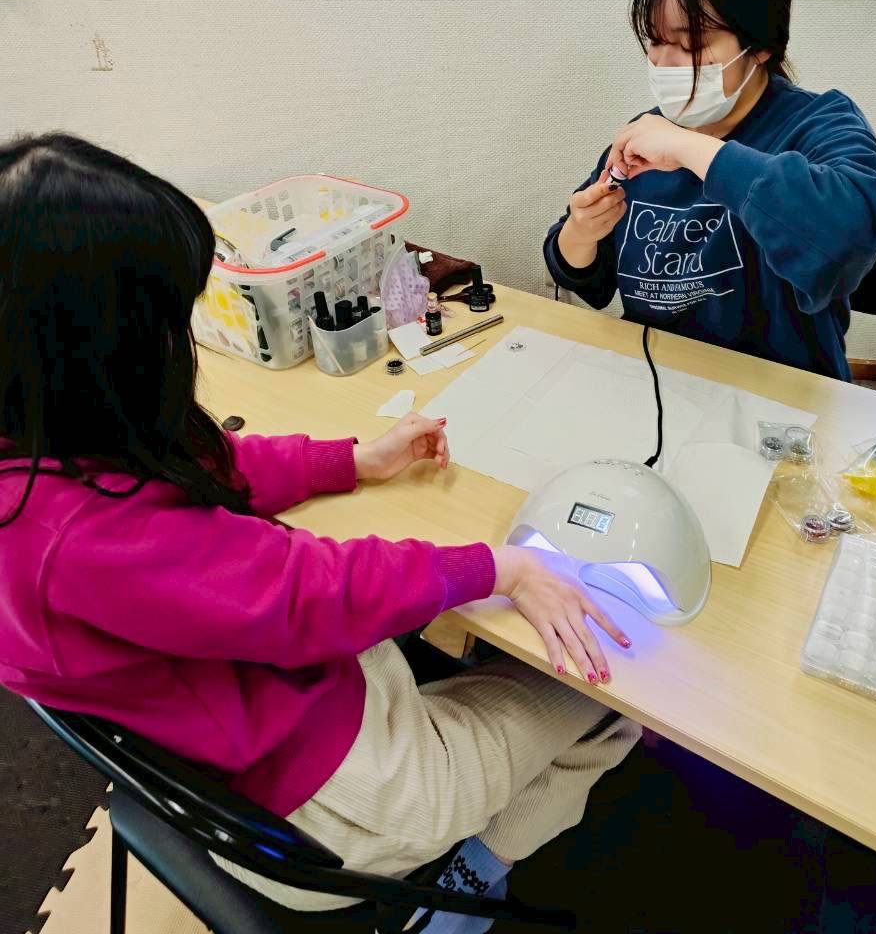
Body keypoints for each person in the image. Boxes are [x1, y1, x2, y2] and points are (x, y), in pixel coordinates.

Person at [0, 133, 640, 933]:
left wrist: (350, 461)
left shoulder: (44, 439)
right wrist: (499, 568)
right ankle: (470, 882)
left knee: (472, 634)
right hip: (337, 815)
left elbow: (200, 465)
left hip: (239, 739)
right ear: (95, 349)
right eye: (167, 319)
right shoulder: (78, 540)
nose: (181, 340)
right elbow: (309, 592)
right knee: (612, 688)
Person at [544, 0, 876, 378]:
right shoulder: (648, 133)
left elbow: (848, 236)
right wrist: (580, 232)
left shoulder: (818, 123)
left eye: (690, 44)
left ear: (761, 43)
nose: (663, 63)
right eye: (655, 41)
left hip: (779, 390)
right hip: (660, 380)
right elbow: (585, 276)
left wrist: (694, 150)